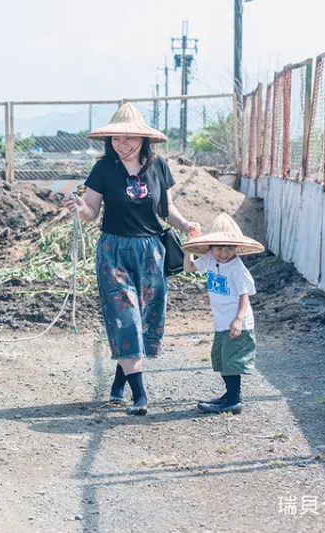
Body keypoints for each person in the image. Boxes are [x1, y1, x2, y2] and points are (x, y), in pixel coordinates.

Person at [64, 103, 199, 416]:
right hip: (113, 252)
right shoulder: (103, 169)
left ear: (143, 139)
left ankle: (118, 383)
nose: (121, 144)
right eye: (116, 138)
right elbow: (91, 212)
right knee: (125, 319)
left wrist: (187, 226)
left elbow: (166, 209)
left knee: (145, 319)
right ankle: (140, 396)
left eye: (128, 138)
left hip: (151, 252)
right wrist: (79, 209)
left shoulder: (159, 166)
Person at [181, 213, 264, 414]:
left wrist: (238, 320)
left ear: (236, 248)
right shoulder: (210, 259)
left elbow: (244, 295)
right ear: (210, 247)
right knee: (221, 359)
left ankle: (233, 401)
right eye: (219, 248)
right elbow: (189, 267)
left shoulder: (237, 268)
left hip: (237, 323)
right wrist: (189, 248)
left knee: (232, 360)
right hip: (222, 322)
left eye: (229, 248)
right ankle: (230, 394)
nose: (224, 253)